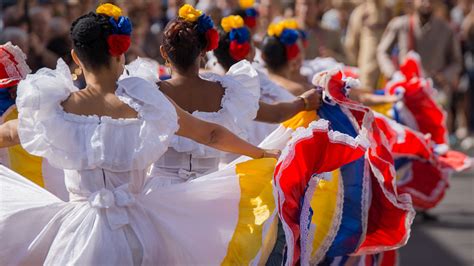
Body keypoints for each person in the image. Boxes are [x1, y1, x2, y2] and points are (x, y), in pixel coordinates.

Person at [0, 4, 282, 264]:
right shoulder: (145, 102)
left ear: (75, 56)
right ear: (120, 53)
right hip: (140, 231)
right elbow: (209, 134)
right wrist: (262, 153)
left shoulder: (54, 109)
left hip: (77, 234)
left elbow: (9, 134)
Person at [133, 5, 307, 186]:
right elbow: (275, 114)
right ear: (203, 51)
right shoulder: (228, 93)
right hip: (211, 190)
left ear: (163, 52)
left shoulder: (148, 94)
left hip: (160, 192)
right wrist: (303, 103)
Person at [214, 15, 322, 145]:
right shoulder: (281, 92)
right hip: (266, 160)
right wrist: (303, 102)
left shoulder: (211, 86)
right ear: (250, 52)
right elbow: (277, 114)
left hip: (226, 162)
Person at [377, 0, 462, 96]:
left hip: (435, 92)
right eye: (422, 0)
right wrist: (393, 74)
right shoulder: (401, 25)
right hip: (406, 90)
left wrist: (445, 76)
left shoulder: (446, 29)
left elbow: (456, 62)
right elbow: (382, 52)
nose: (427, 4)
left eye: (430, 1)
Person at [344, 0, 392, 90]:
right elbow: (351, 44)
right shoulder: (361, 13)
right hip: (367, 72)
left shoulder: (389, 10)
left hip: (387, 68)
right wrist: (357, 63)